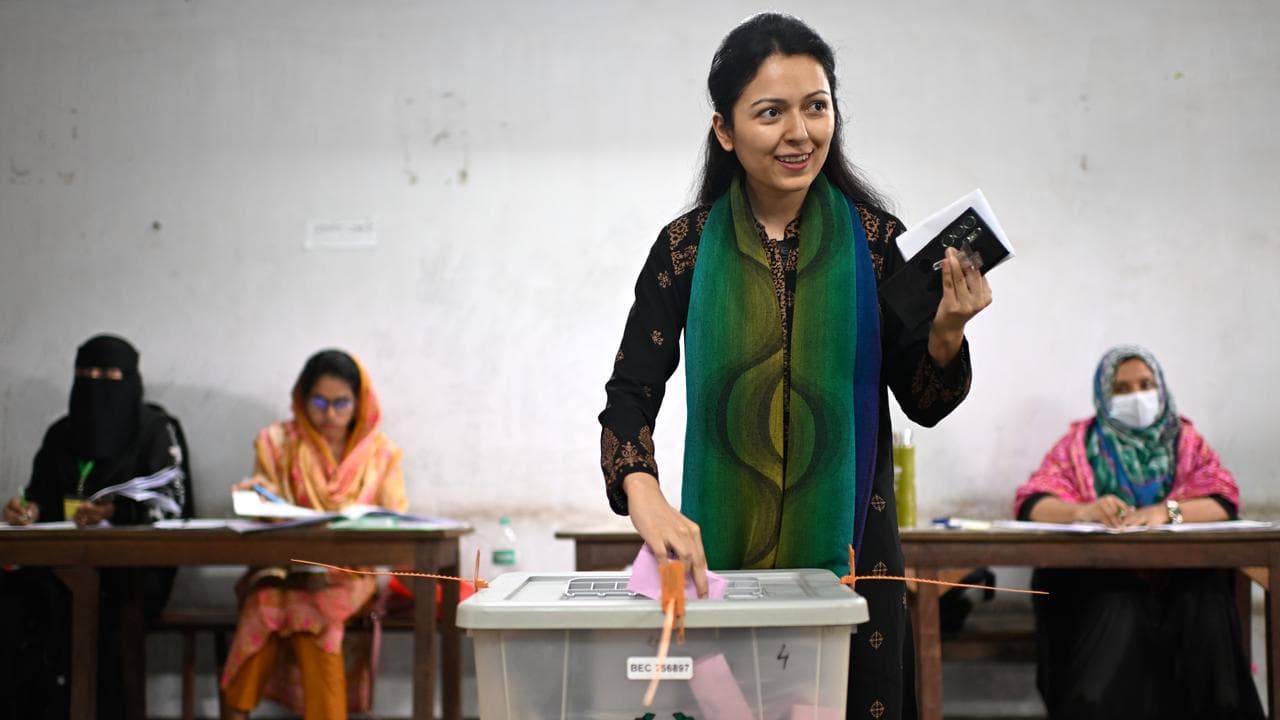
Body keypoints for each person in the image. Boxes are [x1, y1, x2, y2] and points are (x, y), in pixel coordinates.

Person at [598, 13, 990, 719]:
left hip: (856, 551)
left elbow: (925, 400)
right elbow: (630, 395)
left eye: (816, 107)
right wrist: (645, 498)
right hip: (716, 564)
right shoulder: (686, 248)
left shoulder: (879, 243)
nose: (800, 133)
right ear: (725, 130)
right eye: (771, 112)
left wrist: (947, 332)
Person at [1013, 345, 1264, 719]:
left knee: (1204, 601)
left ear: (1160, 388)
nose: (1137, 397)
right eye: (1122, 388)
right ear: (1103, 395)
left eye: (1146, 385)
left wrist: (1167, 512)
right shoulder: (1082, 445)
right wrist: (1081, 511)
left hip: (1183, 585)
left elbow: (1223, 498)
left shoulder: (1185, 441)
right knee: (1118, 605)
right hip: (1105, 585)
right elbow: (1032, 501)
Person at [0, 333, 194, 720]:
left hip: (133, 573)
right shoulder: (61, 434)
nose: (95, 383)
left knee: (102, 610)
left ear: (131, 379)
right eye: (85, 374)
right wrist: (27, 510)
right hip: (60, 566)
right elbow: (39, 496)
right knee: (13, 602)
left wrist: (116, 513)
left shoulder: (155, 431)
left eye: (108, 375)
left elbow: (173, 506)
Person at [221, 349, 405, 720]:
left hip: (349, 574)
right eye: (319, 403)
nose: (330, 415)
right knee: (266, 603)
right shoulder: (277, 443)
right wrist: (258, 498)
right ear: (302, 400)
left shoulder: (380, 454)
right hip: (284, 569)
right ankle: (236, 713)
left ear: (359, 402)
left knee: (314, 609)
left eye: (341, 403)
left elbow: (395, 518)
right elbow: (265, 505)